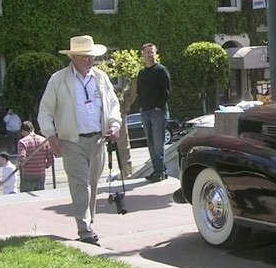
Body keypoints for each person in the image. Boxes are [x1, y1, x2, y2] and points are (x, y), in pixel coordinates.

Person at [37, 35, 122, 244]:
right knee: (79, 184)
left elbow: (113, 105)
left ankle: (89, 223)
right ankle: (84, 230)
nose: (89, 60)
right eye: (84, 57)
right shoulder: (58, 79)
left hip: (98, 141)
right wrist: (50, 135)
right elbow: (45, 111)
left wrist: (115, 125)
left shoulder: (101, 78)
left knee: (93, 184)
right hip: (72, 141)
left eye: (91, 56)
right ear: (73, 57)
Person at [137, 42, 172, 182]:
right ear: (143, 54)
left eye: (152, 52)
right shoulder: (142, 72)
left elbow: (166, 91)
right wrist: (141, 107)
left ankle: (159, 171)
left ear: (156, 53)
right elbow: (139, 91)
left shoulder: (161, 70)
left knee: (158, 143)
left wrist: (159, 106)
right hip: (145, 112)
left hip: (158, 112)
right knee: (151, 143)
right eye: (147, 52)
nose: (150, 55)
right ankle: (159, 170)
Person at [16, 120, 53, 192]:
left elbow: (21, 157)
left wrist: (17, 165)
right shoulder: (44, 140)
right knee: (40, 196)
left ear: (23, 131)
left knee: (27, 198)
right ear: (33, 129)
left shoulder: (22, 142)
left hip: (28, 174)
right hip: (41, 173)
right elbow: (50, 158)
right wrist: (45, 165)